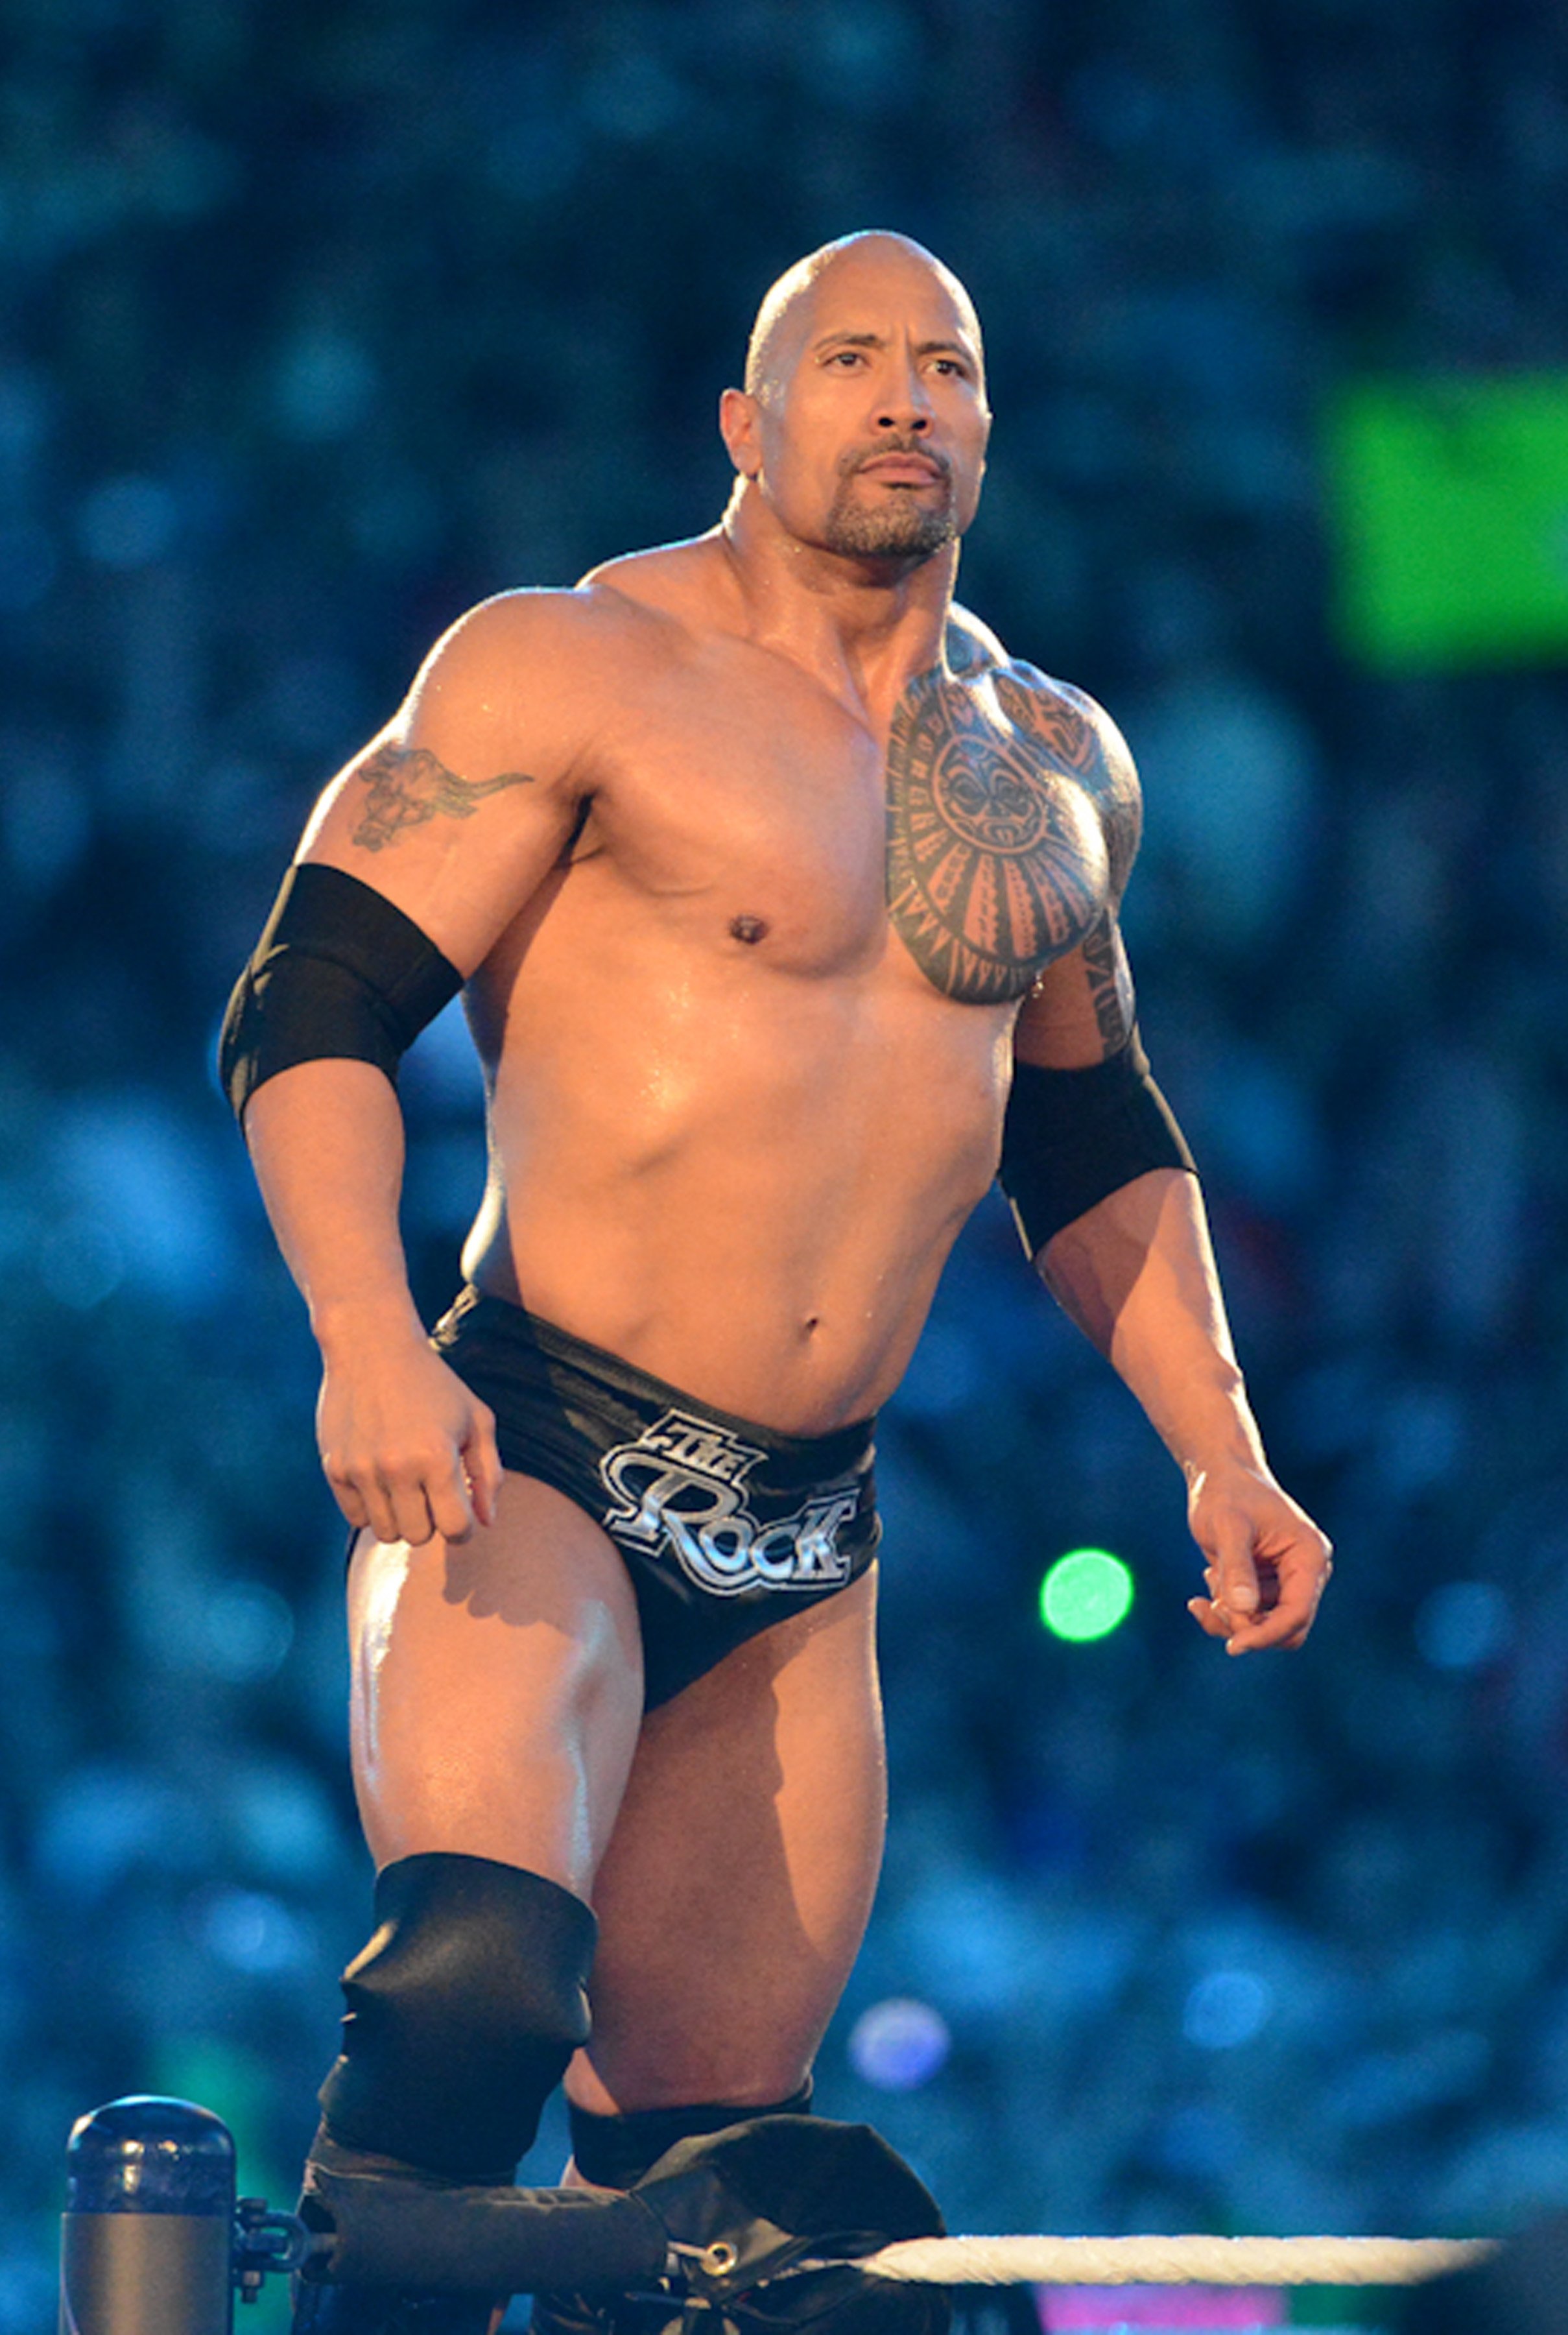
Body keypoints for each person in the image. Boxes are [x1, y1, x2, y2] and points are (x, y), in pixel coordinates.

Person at [220, 231, 1333, 2335]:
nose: (905, 397)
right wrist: (362, 1337)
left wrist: (1222, 1453)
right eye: (852, 361)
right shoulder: (571, 665)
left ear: (989, 427)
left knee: (720, 2178)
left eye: (947, 366)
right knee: (468, 1991)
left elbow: (1092, 1139)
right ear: (748, 422)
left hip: (804, 1531)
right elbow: (310, 1009)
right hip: (536, 1439)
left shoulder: (1056, 763)